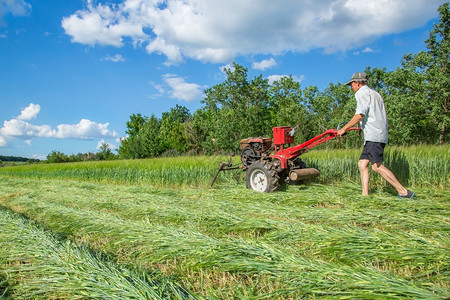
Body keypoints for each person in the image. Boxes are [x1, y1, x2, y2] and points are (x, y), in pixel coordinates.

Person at [337, 72, 414, 199]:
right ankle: (365, 194)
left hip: (374, 135)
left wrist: (344, 129)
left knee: (376, 166)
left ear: (358, 83)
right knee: (362, 164)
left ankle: (403, 192)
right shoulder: (375, 94)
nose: (351, 87)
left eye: (351, 84)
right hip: (376, 133)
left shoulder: (361, 93)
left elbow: (360, 114)